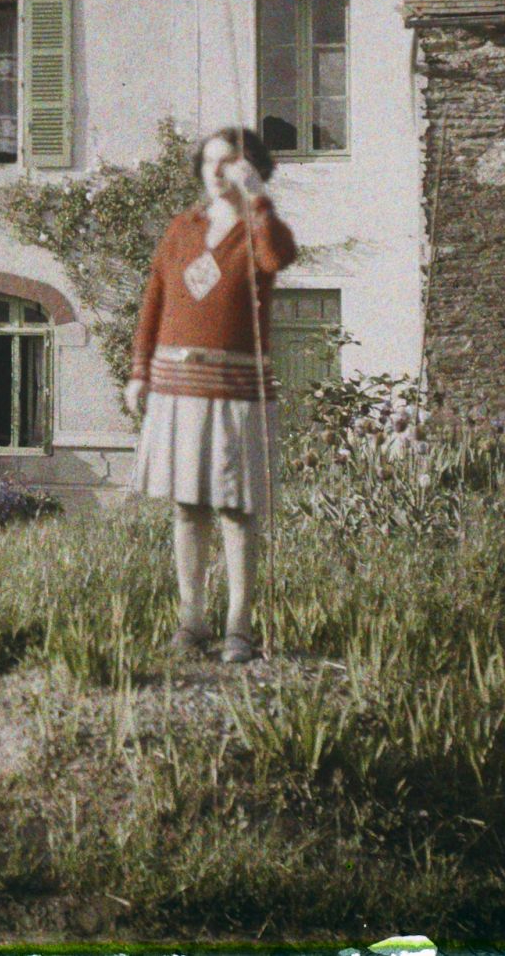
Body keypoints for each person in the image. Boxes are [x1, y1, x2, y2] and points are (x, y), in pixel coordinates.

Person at [127, 127, 297, 666]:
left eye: (230, 163)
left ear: (252, 167)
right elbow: (155, 299)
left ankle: (238, 628)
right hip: (177, 386)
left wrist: (258, 200)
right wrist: (139, 372)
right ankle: (191, 621)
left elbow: (277, 259)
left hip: (236, 389)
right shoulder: (182, 228)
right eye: (209, 162)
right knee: (187, 507)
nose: (217, 172)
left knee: (237, 509)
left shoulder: (259, 228)